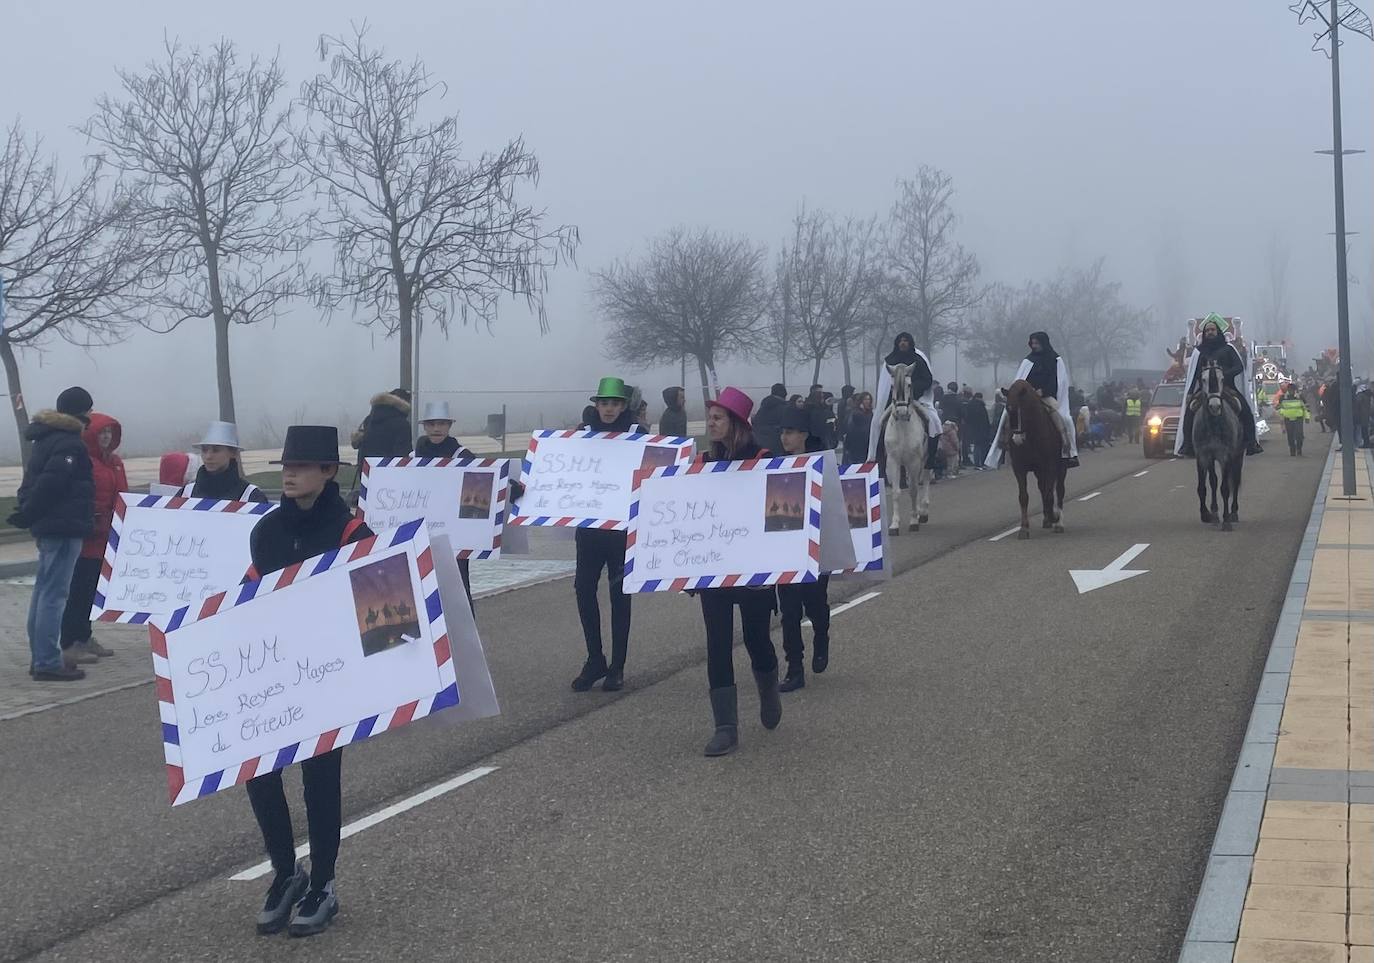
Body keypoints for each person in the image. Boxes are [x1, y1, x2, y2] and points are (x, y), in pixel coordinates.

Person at [242, 425, 373, 938]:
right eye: (285, 467)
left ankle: (323, 882)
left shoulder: (351, 534)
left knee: (319, 780)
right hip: (271, 674)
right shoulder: (266, 531)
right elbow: (251, 592)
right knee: (259, 771)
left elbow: (373, 607)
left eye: (300, 466)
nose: (289, 474)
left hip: (327, 676)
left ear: (328, 472)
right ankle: (284, 872)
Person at [695, 387, 782, 756]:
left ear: (736, 424)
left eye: (717, 418)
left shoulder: (765, 460)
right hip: (714, 569)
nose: (711, 424)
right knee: (716, 644)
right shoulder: (701, 462)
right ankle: (725, 726)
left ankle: (768, 690)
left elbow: (781, 514)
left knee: (756, 639)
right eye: (709, 417)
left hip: (754, 570)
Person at [9, 388, 95, 682]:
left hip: (51, 525)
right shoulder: (70, 444)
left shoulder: (46, 438)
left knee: (43, 592)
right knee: (54, 595)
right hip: (63, 526)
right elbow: (51, 483)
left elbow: (35, 480)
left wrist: (28, 512)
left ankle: (43, 656)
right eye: (90, 410)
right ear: (81, 412)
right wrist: (29, 512)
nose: (92, 416)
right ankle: (47, 660)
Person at [570, 378, 642, 693]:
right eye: (604, 403)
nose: (609, 409)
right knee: (583, 589)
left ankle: (618, 665)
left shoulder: (639, 436)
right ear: (596, 405)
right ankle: (595, 658)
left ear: (624, 406)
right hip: (589, 530)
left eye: (615, 403)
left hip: (621, 532)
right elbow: (560, 472)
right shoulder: (581, 435)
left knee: (618, 597)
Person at [60, 412, 127, 663]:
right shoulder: (84, 462)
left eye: (110, 432)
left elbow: (123, 495)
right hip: (88, 536)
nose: (107, 437)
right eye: (102, 432)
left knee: (91, 592)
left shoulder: (116, 462)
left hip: (108, 536)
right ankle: (69, 641)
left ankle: (85, 636)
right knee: (78, 592)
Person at [775, 406, 830, 693]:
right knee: (790, 610)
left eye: (790, 432)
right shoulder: (775, 465)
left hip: (816, 548)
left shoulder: (821, 464)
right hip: (785, 550)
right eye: (782, 432)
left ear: (804, 435)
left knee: (816, 603)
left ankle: (822, 638)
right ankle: (794, 668)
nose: (785, 437)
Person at [985, 332, 1079, 469]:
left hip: (1046, 396)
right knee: (1007, 415)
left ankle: (1070, 453)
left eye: (1037, 343)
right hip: (1026, 397)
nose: (1034, 346)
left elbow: (1057, 381)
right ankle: (1002, 446)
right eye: (1032, 343)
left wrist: (1043, 391)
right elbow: (1021, 380)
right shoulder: (1028, 361)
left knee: (1065, 418)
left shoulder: (1055, 360)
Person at [1176, 314, 1263, 457]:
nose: (1210, 332)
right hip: (1205, 390)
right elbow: (1194, 373)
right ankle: (1187, 445)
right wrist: (1191, 391)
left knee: (1245, 410)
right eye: (1208, 330)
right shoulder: (1200, 352)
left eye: (1213, 330)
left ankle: (1251, 442)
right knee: (1190, 412)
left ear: (1218, 332)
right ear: (1204, 333)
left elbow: (1238, 367)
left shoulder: (1228, 349)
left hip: (1227, 388)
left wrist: (1224, 375)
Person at [867, 332, 941, 470]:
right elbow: (885, 383)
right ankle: (881, 463)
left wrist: (913, 387)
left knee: (934, 422)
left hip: (916, 399)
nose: (903, 343)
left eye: (905, 340)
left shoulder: (918, 360)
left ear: (910, 342)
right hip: (895, 400)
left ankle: (930, 461)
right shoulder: (890, 360)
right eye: (900, 340)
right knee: (879, 423)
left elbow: (927, 379)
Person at [182, 422, 268, 502]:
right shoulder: (186, 493)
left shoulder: (252, 496)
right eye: (204, 450)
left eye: (216, 450)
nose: (208, 456)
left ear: (233, 453)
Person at [352, 388, 412, 463]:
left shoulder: (368, 420)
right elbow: (403, 456)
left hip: (366, 470)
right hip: (389, 471)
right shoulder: (402, 425)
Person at [753, 384, 788, 453]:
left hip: (761, 448)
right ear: (784, 394)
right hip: (778, 447)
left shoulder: (761, 409)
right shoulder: (785, 409)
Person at [843, 392, 874, 464]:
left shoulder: (870, 413)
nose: (867, 401)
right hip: (856, 445)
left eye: (869, 399)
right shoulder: (855, 413)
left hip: (867, 444)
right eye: (865, 399)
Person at [1277, 390, 1310, 456]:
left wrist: (1307, 417)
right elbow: (1278, 408)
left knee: (1299, 435)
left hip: (1298, 419)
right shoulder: (1283, 398)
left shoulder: (1300, 397)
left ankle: (1299, 449)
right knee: (1290, 435)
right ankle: (1292, 450)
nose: (1291, 392)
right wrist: (1282, 413)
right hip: (1288, 419)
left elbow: (1306, 408)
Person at [805, 384, 838, 450]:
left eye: (822, 393)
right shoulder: (809, 408)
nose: (822, 395)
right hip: (816, 443)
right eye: (819, 393)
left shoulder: (822, 408)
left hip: (824, 442)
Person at [964, 392, 992, 468]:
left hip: (973, 429)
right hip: (982, 429)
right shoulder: (981, 405)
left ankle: (976, 464)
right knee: (983, 447)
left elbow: (967, 418)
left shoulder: (969, 405)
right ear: (980, 398)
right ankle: (982, 463)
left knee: (976, 446)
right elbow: (985, 419)